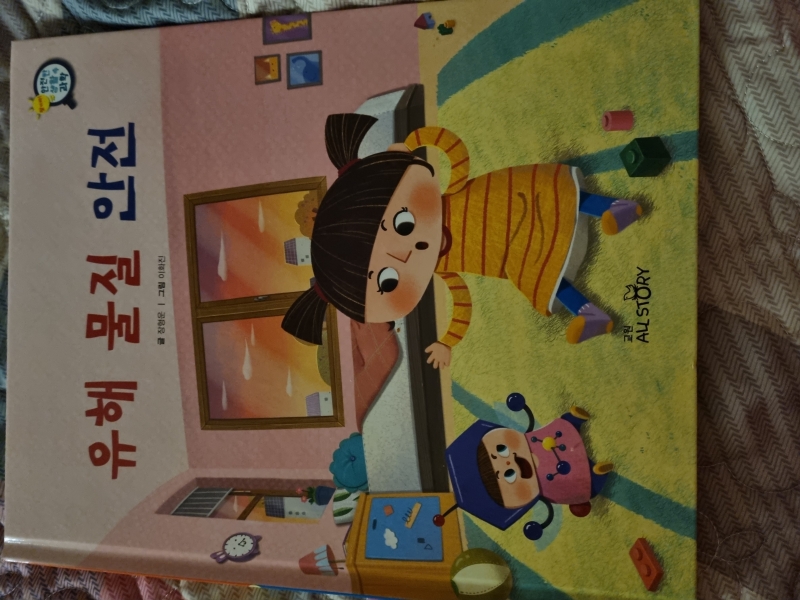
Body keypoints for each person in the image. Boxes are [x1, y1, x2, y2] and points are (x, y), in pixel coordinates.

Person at [281, 114, 642, 367]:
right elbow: (462, 302)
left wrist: (409, 145)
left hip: (507, 199)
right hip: (512, 256)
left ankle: (615, 208)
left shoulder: (448, 194)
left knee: (549, 197)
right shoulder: (441, 268)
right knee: (543, 278)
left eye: (403, 223)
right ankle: (590, 314)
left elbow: (453, 148)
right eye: (388, 280)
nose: (412, 250)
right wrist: (446, 343)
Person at [432, 392, 612, 541]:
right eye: (509, 475)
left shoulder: (526, 442)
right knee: (582, 484)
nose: (509, 462)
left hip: (541, 441)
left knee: (559, 431)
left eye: (501, 450)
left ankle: (574, 421)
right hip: (561, 481)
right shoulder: (540, 487)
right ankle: (596, 473)